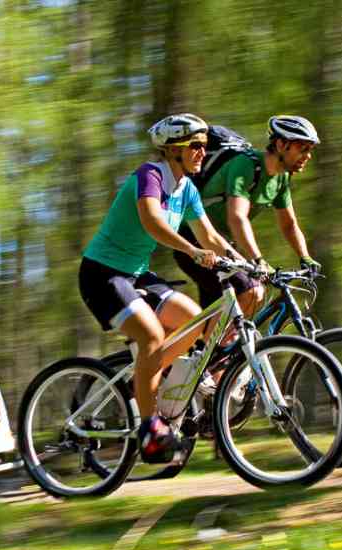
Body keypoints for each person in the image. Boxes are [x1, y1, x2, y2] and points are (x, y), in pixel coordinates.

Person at [78, 113, 243, 463]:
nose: (203, 152)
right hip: (102, 274)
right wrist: (192, 251)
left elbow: (210, 237)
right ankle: (149, 426)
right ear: (173, 150)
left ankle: (146, 376)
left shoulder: (187, 190)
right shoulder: (150, 175)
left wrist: (245, 265)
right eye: (195, 146)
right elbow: (152, 222)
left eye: (205, 146)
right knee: (151, 337)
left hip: (136, 274)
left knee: (197, 321)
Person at [174, 115, 323, 310]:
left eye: (310, 149)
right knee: (251, 292)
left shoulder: (281, 179)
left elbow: (289, 225)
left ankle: (211, 341)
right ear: (280, 144)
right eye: (302, 148)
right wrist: (258, 260)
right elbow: (237, 218)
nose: (308, 155)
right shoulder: (245, 165)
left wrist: (305, 258)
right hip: (194, 240)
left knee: (227, 313)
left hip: (222, 245)